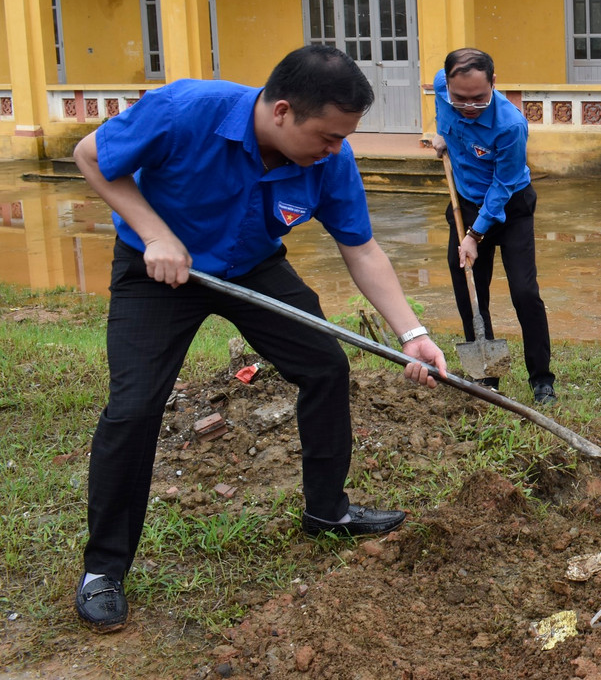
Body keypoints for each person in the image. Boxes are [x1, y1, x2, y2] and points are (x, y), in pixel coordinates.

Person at [71, 45, 448, 634]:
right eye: (326, 136)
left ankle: (327, 511)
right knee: (135, 405)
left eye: (343, 138)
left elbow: (362, 248)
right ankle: (104, 570)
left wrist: (413, 333)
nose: (335, 149)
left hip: (252, 266)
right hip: (162, 268)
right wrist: (155, 235)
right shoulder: (184, 109)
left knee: (325, 365)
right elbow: (91, 156)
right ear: (280, 112)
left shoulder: (330, 159)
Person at [431, 48, 556, 405]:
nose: (469, 106)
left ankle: (542, 379)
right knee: (469, 289)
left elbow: (502, 187)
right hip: (465, 202)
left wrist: (473, 235)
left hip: (510, 206)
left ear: (494, 84)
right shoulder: (443, 87)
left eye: (479, 99)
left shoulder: (510, 125)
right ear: (448, 85)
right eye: (460, 99)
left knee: (525, 292)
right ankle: (485, 376)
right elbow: (443, 110)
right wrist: (443, 135)